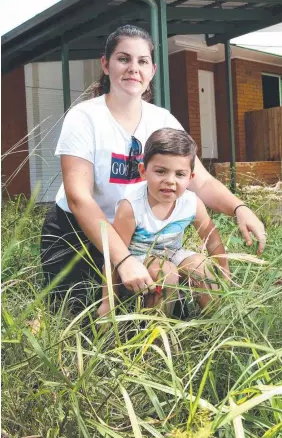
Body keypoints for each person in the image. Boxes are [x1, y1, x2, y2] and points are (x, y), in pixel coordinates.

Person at [41, 24, 266, 311]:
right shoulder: (84, 117)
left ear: (152, 70)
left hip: (140, 232)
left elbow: (202, 181)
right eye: (123, 58)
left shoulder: (163, 120)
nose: (133, 68)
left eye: (142, 61)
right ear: (106, 65)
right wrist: (123, 260)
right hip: (80, 231)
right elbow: (79, 197)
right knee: (79, 318)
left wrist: (239, 208)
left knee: (168, 305)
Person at [98, 127, 230, 318]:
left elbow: (212, 239)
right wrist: (108, 302)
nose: (170, 181)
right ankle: (156, 336)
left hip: (172, 254)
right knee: (166, 272)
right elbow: (113, 256)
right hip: (137, 262)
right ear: (143, 171)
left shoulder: (191, 203)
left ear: (190, 178)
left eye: (180, 174)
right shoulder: (131, 207)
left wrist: (224, 269)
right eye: (161, 171)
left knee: (201, 266)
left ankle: (216, 325)